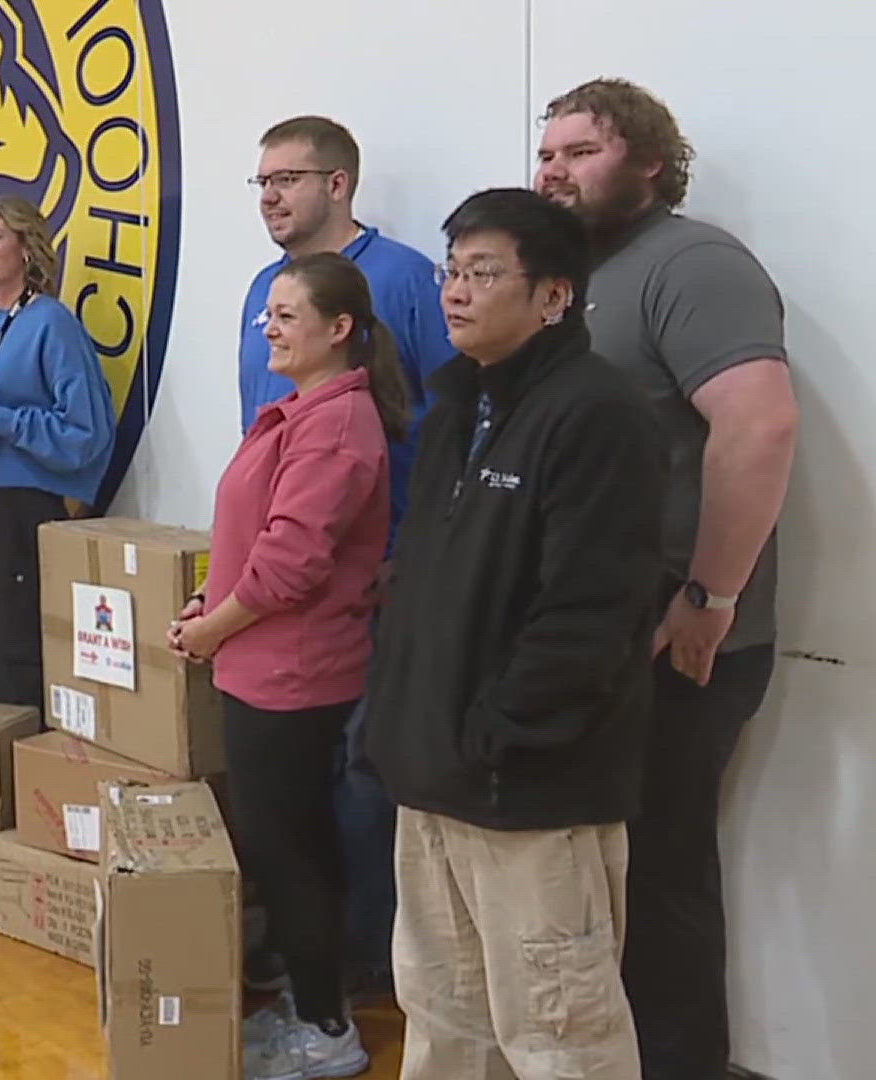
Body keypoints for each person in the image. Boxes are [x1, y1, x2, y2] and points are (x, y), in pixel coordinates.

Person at [364, 189, 666, 1078]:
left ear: (554, 296)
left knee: (558, 1034)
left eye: (484, 272)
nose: (456, 290)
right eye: (453, 269)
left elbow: (592, 611)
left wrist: (502, 737)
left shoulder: (598, 415)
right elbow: (421, 590)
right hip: (431, 780)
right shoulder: (456, 406)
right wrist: (398, 725)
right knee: (444, 1017)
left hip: (527, 791)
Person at [536, 78, 798, 1080]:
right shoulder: (575, 277)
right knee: (605, 873)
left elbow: (760, 425)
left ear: (650, 162)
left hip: (680, 635)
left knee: (661, 877)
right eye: (548, 152)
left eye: (582, 151)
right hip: (601, 632)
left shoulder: (692, 264)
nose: (555, 169)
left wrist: (710, 597)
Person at [171, 252, 408, 1080]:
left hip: (293, 675)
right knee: (282, 848)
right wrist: (209, 605)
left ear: (339, 330)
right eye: (265, 313)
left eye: (286, 315)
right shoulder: (299, 411)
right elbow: (250, 540)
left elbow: (291, 564)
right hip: (257, 660)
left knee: (292, 854)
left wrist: (214, 629)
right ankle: (311, 1007)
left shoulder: (339, 427)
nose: (267, 327)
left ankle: (326, 1031)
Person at [239, 115, 457, 995]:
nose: (269, 198)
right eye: (258, 184)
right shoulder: (264, 285)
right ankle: (306, 948)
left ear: (338, 184)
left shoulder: (405, 280)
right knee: (291, 799)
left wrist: (412, 555)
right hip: (283, 597)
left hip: (373, 584)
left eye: (284, 179)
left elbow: (450, 430)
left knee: (363, 780)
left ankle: (362, 965)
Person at [0, 194, 115, 712]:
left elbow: (84, 433)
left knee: (15, 648)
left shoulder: (52, 324)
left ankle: (29, 766)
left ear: (26, 247)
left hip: (22, 508)